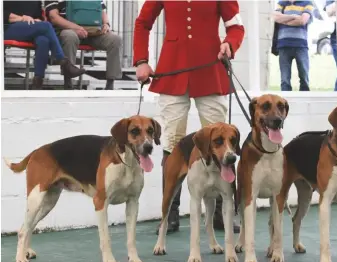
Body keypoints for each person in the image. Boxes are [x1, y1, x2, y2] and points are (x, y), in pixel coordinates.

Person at [134, 1, 245, 234]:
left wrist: (229, 44)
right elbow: (143, 22)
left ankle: (219, 214)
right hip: (172, 69)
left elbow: (236, 27)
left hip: (210, 68)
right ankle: (169, 213)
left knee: (220, 142)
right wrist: (141, 60)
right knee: (172, 142)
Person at [3, 1, 85, 90]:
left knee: (44, 40)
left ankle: (37, 83)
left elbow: (37, 15)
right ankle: (64, 63)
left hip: (30, 28)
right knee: (46, 26)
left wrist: (38, 19)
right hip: (8, 27)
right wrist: (22, 18)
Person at [45, 0, 122, 90]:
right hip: (69, 30)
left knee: (115, 39)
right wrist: (76, 28)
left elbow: (101, 10)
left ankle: (110, 83)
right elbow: (53, 17)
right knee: (69, 36)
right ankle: (68, 82)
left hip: (94, 32)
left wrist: (106, 23)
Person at [273, 0, 314, 91]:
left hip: (301, 45)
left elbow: (303, 20)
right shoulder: (281, 3)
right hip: (283, 44)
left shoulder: (307, 3)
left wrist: (283, 20)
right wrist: (293, 17)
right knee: (284, 80)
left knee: (304, 77)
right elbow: (275, 18)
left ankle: (304, 100)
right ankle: (285, 102)